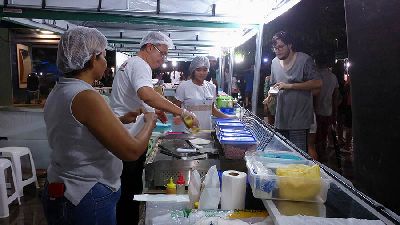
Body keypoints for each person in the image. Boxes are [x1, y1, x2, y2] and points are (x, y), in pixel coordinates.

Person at [41, 26, 157, 225]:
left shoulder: (61, 90)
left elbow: (78, 128)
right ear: (93, 58)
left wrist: (119, 120)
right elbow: (131, 151)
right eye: (103, 56)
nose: (106, 62)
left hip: (62, 184)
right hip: (86, 193)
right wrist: (150, 121)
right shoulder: (86, 96)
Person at [109, 31, 198, 225]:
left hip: (122, 132)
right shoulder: (141, 65)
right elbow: (146, 94)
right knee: (129, 192)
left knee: (125, 189)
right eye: (162, 53)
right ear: (149, 47)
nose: (164, 58)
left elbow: (138, 99)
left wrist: (154, 110)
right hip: (128, 137)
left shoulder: (130, 63)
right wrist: (181, 112)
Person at [266, 31, 322, 152]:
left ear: (290, 45)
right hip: (280, 119)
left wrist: (289, 86)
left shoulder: (304, 60)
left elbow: (318, 83)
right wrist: (270, 95)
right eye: (275, 48)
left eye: (281, 47)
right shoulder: (274, 62)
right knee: (282, 156)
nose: (277, 50)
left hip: (299, 120)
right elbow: (274, 85)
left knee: (298, 158)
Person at [175, 56, 232, 129]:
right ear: (193, 70)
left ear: (208, 71)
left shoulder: (211, 87)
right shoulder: (184, 86)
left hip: (207, 130)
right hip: (189, 130)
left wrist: (229, 118)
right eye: (198, 70)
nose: (202, 73)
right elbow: (175, 108)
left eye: (205, 70)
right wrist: (190, 123)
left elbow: (212, 110)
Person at [315, 55, 339, 162]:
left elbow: (314, 96)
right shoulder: (333, 77)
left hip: (316, 111)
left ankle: (318, 158)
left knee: (316, 136)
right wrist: (334, 113)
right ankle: (323, 156)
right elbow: (335, 96)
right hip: (328, 111)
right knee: (324, 135)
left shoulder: (316, 76)